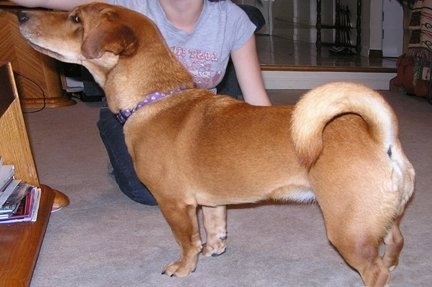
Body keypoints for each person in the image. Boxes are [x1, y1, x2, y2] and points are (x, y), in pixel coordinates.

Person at [13, 0, 272, 205]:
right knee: (153, 192)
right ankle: (125, 150)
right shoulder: (128, 7)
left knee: (230, 181)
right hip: (135, 117)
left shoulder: (231, 19)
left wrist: (275, 144)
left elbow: (257, 100)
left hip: (198, 124)